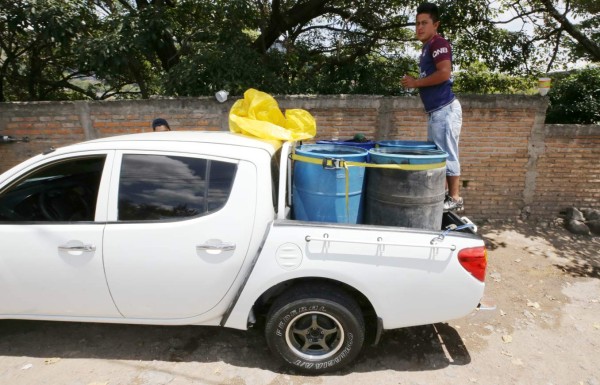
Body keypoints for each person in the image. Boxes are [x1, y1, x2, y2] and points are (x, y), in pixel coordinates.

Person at [401, 2, 463, 211]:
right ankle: (444, 196)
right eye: (417, 23)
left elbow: (444, 72)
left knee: (446, 154)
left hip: (445, 109)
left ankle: (454, 198)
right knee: (439, 155)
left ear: (436, 24)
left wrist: (416, 83)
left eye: (424, 23)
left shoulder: (438, 43)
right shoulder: (427, 47)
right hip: (437, 111)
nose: (419, 27)